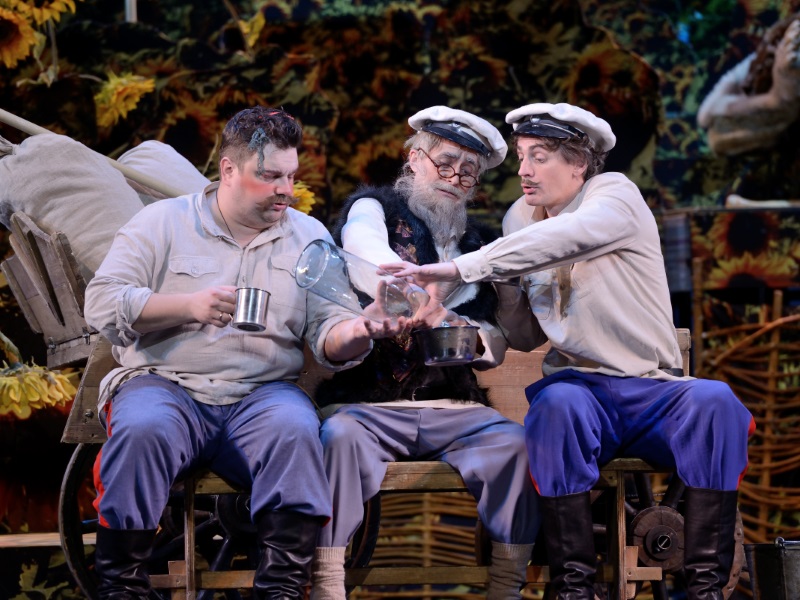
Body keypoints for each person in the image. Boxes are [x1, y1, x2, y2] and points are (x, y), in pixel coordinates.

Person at [384, 103, 755, 600]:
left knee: (717, 402)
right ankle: (573, 589)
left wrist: (461, 268)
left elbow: (568, 237)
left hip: (652, 390)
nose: (524, 170)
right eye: (521, 156)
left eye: (539, 157)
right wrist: (507, 287)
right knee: (556, 405)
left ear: (579, 163)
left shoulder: (614, 195)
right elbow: (525, 337)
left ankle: (704, 589)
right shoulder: (520, 218)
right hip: (582, 392)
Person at [84, 106, 405, 600]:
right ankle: (122, 588)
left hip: (261, 393)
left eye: (291, 176)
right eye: (270, 176)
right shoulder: (163, 222)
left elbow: (329, 331)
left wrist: (364, 328)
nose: (286, 189)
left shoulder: (308, 236)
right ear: (229, 169)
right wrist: (187, 305)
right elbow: (102, 303)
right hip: (167, 384)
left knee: (294, 429)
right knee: (142, 427)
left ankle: (281, 589)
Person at [310, 106, 540, 600]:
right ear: (414, 159)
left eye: (468, 172)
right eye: (445, 163)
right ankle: (328, 584)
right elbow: (366, 254)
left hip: (454, 411)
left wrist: (458, 328)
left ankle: (507, 587)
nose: (455, 179)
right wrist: (419, 299)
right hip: (368, 407)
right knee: (339, 438)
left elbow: (495, 343)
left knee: (514, 446)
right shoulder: (374, 209)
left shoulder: (480, 248)